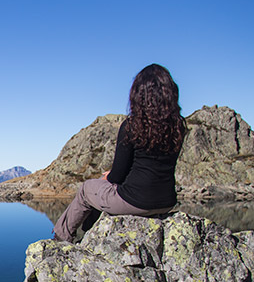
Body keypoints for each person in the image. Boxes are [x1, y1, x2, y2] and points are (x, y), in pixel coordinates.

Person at [53, 64, 187, 242]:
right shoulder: (178, 126)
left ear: (139, 95)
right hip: (166, 202)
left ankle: (62, 238)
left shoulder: (133, 126)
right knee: (101, 188)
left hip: (136, 202)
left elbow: (117, 175)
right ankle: (88, 233)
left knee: (87, 189)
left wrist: (107, 176)